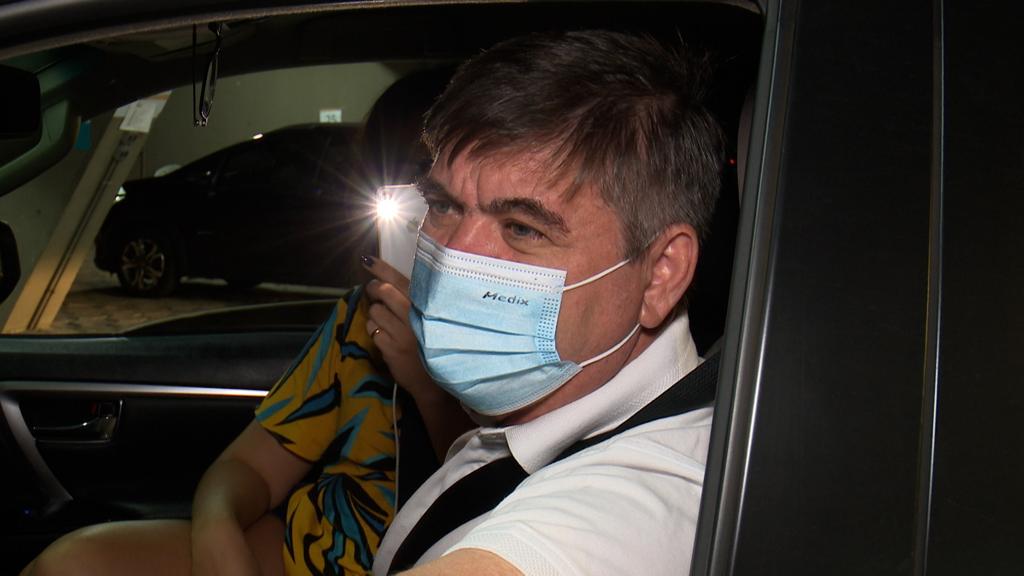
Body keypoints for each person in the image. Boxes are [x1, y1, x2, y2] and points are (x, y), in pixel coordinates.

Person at [371, 29, 724, 575]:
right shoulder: (551, 419)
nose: (454, 257)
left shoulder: (629, 515)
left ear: (660, 273)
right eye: (443, 206)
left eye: (523, 228)